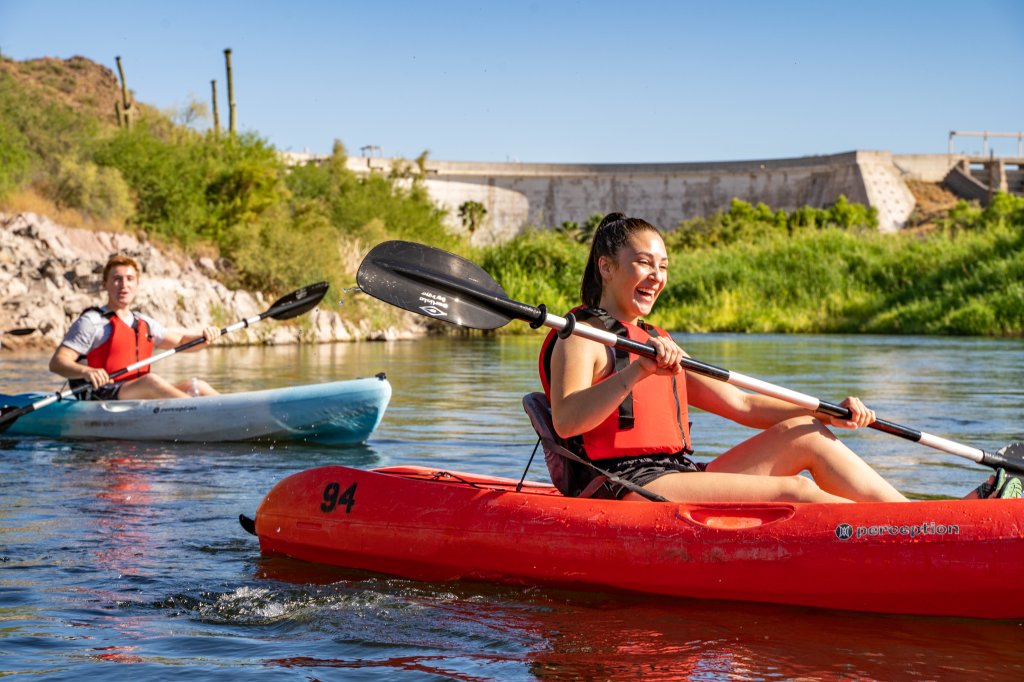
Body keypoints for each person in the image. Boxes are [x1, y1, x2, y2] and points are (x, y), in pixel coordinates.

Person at [539, 212, 1020, 502]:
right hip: (624, 482)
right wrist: (639, 370)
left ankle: (927, 524)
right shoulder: (581, 335)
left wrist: (826, 409)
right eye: (644, 262)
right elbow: (566, 421)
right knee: (797, 493)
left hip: (678, 474)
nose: (656, 276)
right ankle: (914, 540)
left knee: (808, 434)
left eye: (663, 266)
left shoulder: (655, 338)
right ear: (607, 266)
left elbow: (745, 407)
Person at [49, 254, 222, 400]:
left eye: (130, 279)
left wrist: (205, 338)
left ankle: (233, 414)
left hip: (137, 393)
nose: (124, 285)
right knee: (151, 381)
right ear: (105, 284)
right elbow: (57, 363)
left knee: (197, 386)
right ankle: (198, 411)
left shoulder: (143, 322)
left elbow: (182, 342)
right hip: (100, 394)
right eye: (117, 279)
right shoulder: (91, 322)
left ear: (136, 284)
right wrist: (86, 371)